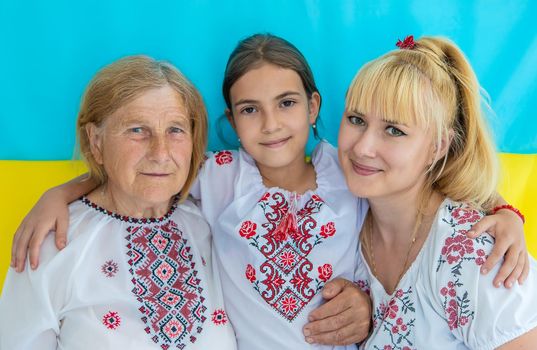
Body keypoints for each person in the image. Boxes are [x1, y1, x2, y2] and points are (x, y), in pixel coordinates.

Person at [6, 34, 528, 349]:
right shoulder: (220, 179)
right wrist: (65, 190)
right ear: (231, 121)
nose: (272, 125)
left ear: (315, 107)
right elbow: (151, 172)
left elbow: (436, 195)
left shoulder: (347, 177)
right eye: (251, 110)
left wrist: (505, 212)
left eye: (287, 104)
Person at [0, 55, 238, 350]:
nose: (161, 153)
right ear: (95, 141)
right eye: (137, 130)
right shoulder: (51, 243)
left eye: (175, 130)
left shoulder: (218, 221)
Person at [339, 35, 537, 349]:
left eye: (395, 130)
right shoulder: (339, 207)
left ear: (438, 147)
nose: (363, 148)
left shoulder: (474, 256)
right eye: (356, 119)